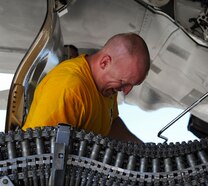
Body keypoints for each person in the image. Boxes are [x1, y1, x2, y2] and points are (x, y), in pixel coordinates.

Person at [22, 33, 150, 144]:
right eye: (123, 82)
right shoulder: (68, 88)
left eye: (132, 85)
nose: (126, 91)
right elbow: (40, 151)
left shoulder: (108, 86)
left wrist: (142, 150)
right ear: (104, 62)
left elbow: (111, 124)